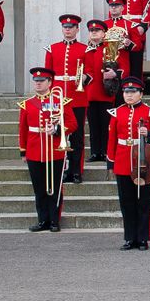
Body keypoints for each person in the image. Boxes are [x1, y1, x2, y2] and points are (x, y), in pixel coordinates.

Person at [108, 77, 150, 251]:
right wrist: (111, 163)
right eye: (126, 92)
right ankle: (130, 238)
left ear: (141, 93)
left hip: (143, 161)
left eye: (133, 92)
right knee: (127, 202)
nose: (129, 95)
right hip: (123, 161)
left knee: (144, 201)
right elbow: (112, 140)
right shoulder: (117, 112)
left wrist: (148, 134)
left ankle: (143, 238)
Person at [18, 67, 73, 232]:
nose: (38, 84)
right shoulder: (27, 104)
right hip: (34, 151)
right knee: (39, 188)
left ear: (50, 83)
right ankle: (42, 220)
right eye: (36, 81)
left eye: (41, 81)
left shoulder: (60, 101)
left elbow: (73, 123)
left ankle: (54, 220)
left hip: (55, 150)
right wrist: (23, 151)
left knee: (55, 188)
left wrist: (57, 129)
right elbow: (23, 129)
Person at [45, 14, 93, 178]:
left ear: (77, 29)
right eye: (65, 27)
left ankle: (77, 170)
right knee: (59, 134)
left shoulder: (85, 49)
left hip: (77, 98)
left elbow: (91, 72)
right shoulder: (52, 48)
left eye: (71, 27)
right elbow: (47, 76)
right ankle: (63, 170)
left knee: (77, 136)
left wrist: (84, 77)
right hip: (57, 98)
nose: (67, 30)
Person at [83, 19, 129, 172]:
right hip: (89, 94)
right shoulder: (85, 50)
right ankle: (95, 152)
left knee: (106, 125)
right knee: (93, 125)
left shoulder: (110, 48)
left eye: (97, 31)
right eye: (91, 31)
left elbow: (124, 67)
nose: (94, 33)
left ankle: (105, 152)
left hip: (105, 93)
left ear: (104, 34)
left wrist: (115, 73)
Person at [113, 0, 150, 79]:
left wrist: (143, 27)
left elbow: (149, 13)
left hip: (137, 33)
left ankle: (136, 86)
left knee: (136, 63)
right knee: (121, 62)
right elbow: (112, 16)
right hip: (121, 34)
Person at [105, 0, 147, 82]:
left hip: (122, 63)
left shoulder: (131, 25)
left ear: (122, 8)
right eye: (111, 6)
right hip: (105, 61)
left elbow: (138, 46)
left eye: (117, 5)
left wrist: (129, 44)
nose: (113, 8)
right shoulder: (104, 25)